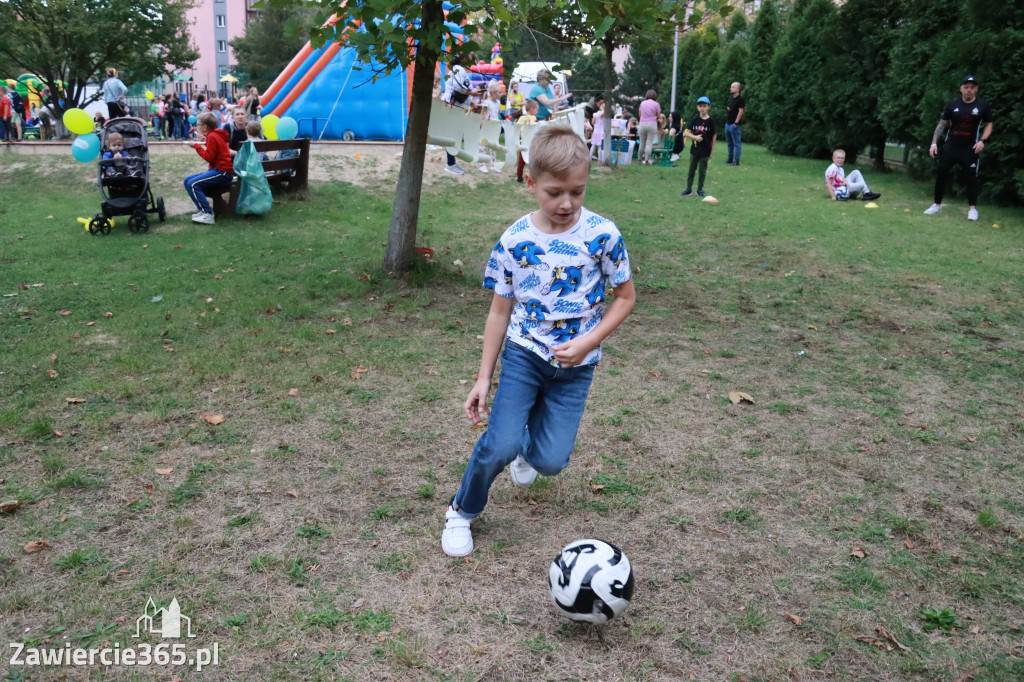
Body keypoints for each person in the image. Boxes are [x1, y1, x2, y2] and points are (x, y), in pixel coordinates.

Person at [440, 126, 637, 558]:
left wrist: (588, 342)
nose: (567, 203)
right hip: (524, 355)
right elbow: (499, 311)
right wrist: (482, 379)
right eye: (554, 192)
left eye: (577, 192)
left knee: (550, 462)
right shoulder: (515, 241)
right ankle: (461, 510)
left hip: (575, 367)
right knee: (500, 444)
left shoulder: (603, 234)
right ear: (530, 182)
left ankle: (531, 448)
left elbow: (625, 297)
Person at [924, 75, 993, 222]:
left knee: (971, 178)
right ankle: (937, 205)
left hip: (970, 148)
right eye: (966, 87)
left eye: (972, 87)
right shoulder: (952, 104)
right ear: (961, 89)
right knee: (942, 173)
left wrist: (982, 141)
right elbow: (942, 124)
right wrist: (934, 143)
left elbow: (989, 125)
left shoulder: (982, 105)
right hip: (950, 146)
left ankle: (972, 209)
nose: (969, 90)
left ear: (976, 89)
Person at [183, 112, 233, 225]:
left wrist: (196, 146)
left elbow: (209, 158)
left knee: (192, 184)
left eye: (198, 124)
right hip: (220, 170)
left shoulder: (212, 136)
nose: (197, 126)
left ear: (205, 127)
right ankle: (202, 210)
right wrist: (205, 142)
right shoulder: (215, 135)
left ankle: (207, 213)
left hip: (222, 172)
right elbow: (214, 152)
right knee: (187, 181)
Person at [439, 53, 482, 175]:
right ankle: (450, 163)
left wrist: (470, 100)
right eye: (470, 61)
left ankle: (451, 162)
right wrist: (473, 93)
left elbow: (459, 88)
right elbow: (459, 87)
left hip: (455, 105)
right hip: (453, 105)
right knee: (452, 135)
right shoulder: (458, 69)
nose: (471, 65)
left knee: (454, 135)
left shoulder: (458, 70)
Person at [681, 96, 716, 198]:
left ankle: (700, 190)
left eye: (704, 106)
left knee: (702, 171)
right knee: (691, 170)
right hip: (694, 151)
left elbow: (714, 136)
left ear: (708, 107)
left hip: (705, 150)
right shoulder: (695, 119)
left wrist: (712, 151)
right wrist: (695, 137)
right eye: (700, 106)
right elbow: (686, 133)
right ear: (697, 108)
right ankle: (688, 189)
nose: (702, 108)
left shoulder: (711, 121)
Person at [515, 99, 540, 182]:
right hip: (532, 142)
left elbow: (516, 127)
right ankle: (534, 177)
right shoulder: (534, 118)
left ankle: (519, 177)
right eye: (537, 109)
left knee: (521, 161)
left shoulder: (521, 118)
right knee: (533, 160)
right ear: (532, 109)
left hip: (523, 142)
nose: (537, 111)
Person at [637, 90, 661, 165]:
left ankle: (639, 159)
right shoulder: (656, 104)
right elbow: (659, 116)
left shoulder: (642, 103)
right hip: (652, 124)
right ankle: (647, 160)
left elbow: (640, 114)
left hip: (642, 124)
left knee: (642, 143)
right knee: (649, 143)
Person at [724, 81, 745, 166]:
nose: (730, 88)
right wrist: (728, 110)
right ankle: (729, 159)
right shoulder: (731, 99)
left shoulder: (741, 99)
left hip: (734, 124)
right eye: (731, 87)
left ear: (737, 89)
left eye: (732, 87)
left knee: (736, 143)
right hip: (728, 123)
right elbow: (733, 110)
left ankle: (736, 161)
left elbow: (741, 111)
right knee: (729, 143)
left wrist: (736, 123)